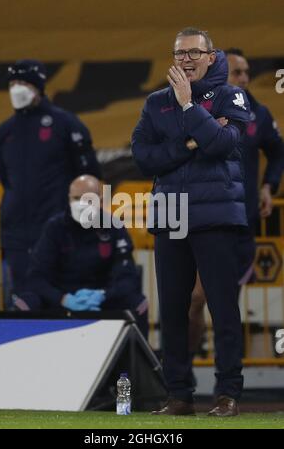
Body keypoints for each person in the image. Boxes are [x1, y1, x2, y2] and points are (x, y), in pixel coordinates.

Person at [132, 27, 250, 416]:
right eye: (179, 53)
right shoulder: (154, 103)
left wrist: (188, 107)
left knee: (222, 307)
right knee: (174, 311)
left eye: (193, 53)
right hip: (171, 215)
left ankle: (227, 394)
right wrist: (190, 142)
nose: (185, 59)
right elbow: (144, 158)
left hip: (216, 214)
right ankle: (178, 396)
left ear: (212, 55)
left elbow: (223, 145)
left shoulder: (232, 95)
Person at [187, 48, 284, 387]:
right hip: (199, 219)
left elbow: (277, 150)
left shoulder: (257, 111)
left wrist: (269, 186)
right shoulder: (197, 108)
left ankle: (225, 387)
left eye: (245, 73)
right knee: (196, 300)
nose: (243, 78)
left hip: (239, 224)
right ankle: (178, 378)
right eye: (237, 72)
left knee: (224, 304)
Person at [0, 60, 102, 298]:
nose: (16, 89)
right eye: (12, 83)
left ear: (38, 86)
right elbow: (6, 180)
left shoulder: (66, 124)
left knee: (59, 298)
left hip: (58, 229)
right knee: (24, 299)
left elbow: (89, 176)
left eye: (22, 83)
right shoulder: (4, 133)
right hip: (17, 235)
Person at [20, 175, 148, 339]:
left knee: (139, 303)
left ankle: (139, 362)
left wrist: (103, 295)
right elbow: (36, 277)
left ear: (101, 201)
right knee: (24, 302)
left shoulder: (114, 227)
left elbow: (128, 278)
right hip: (62, 298)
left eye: (88, 199)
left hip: (103, 299)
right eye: (76, 198)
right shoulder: (54, 228)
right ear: (68, 199)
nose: (81, 204)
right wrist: (63, 299)